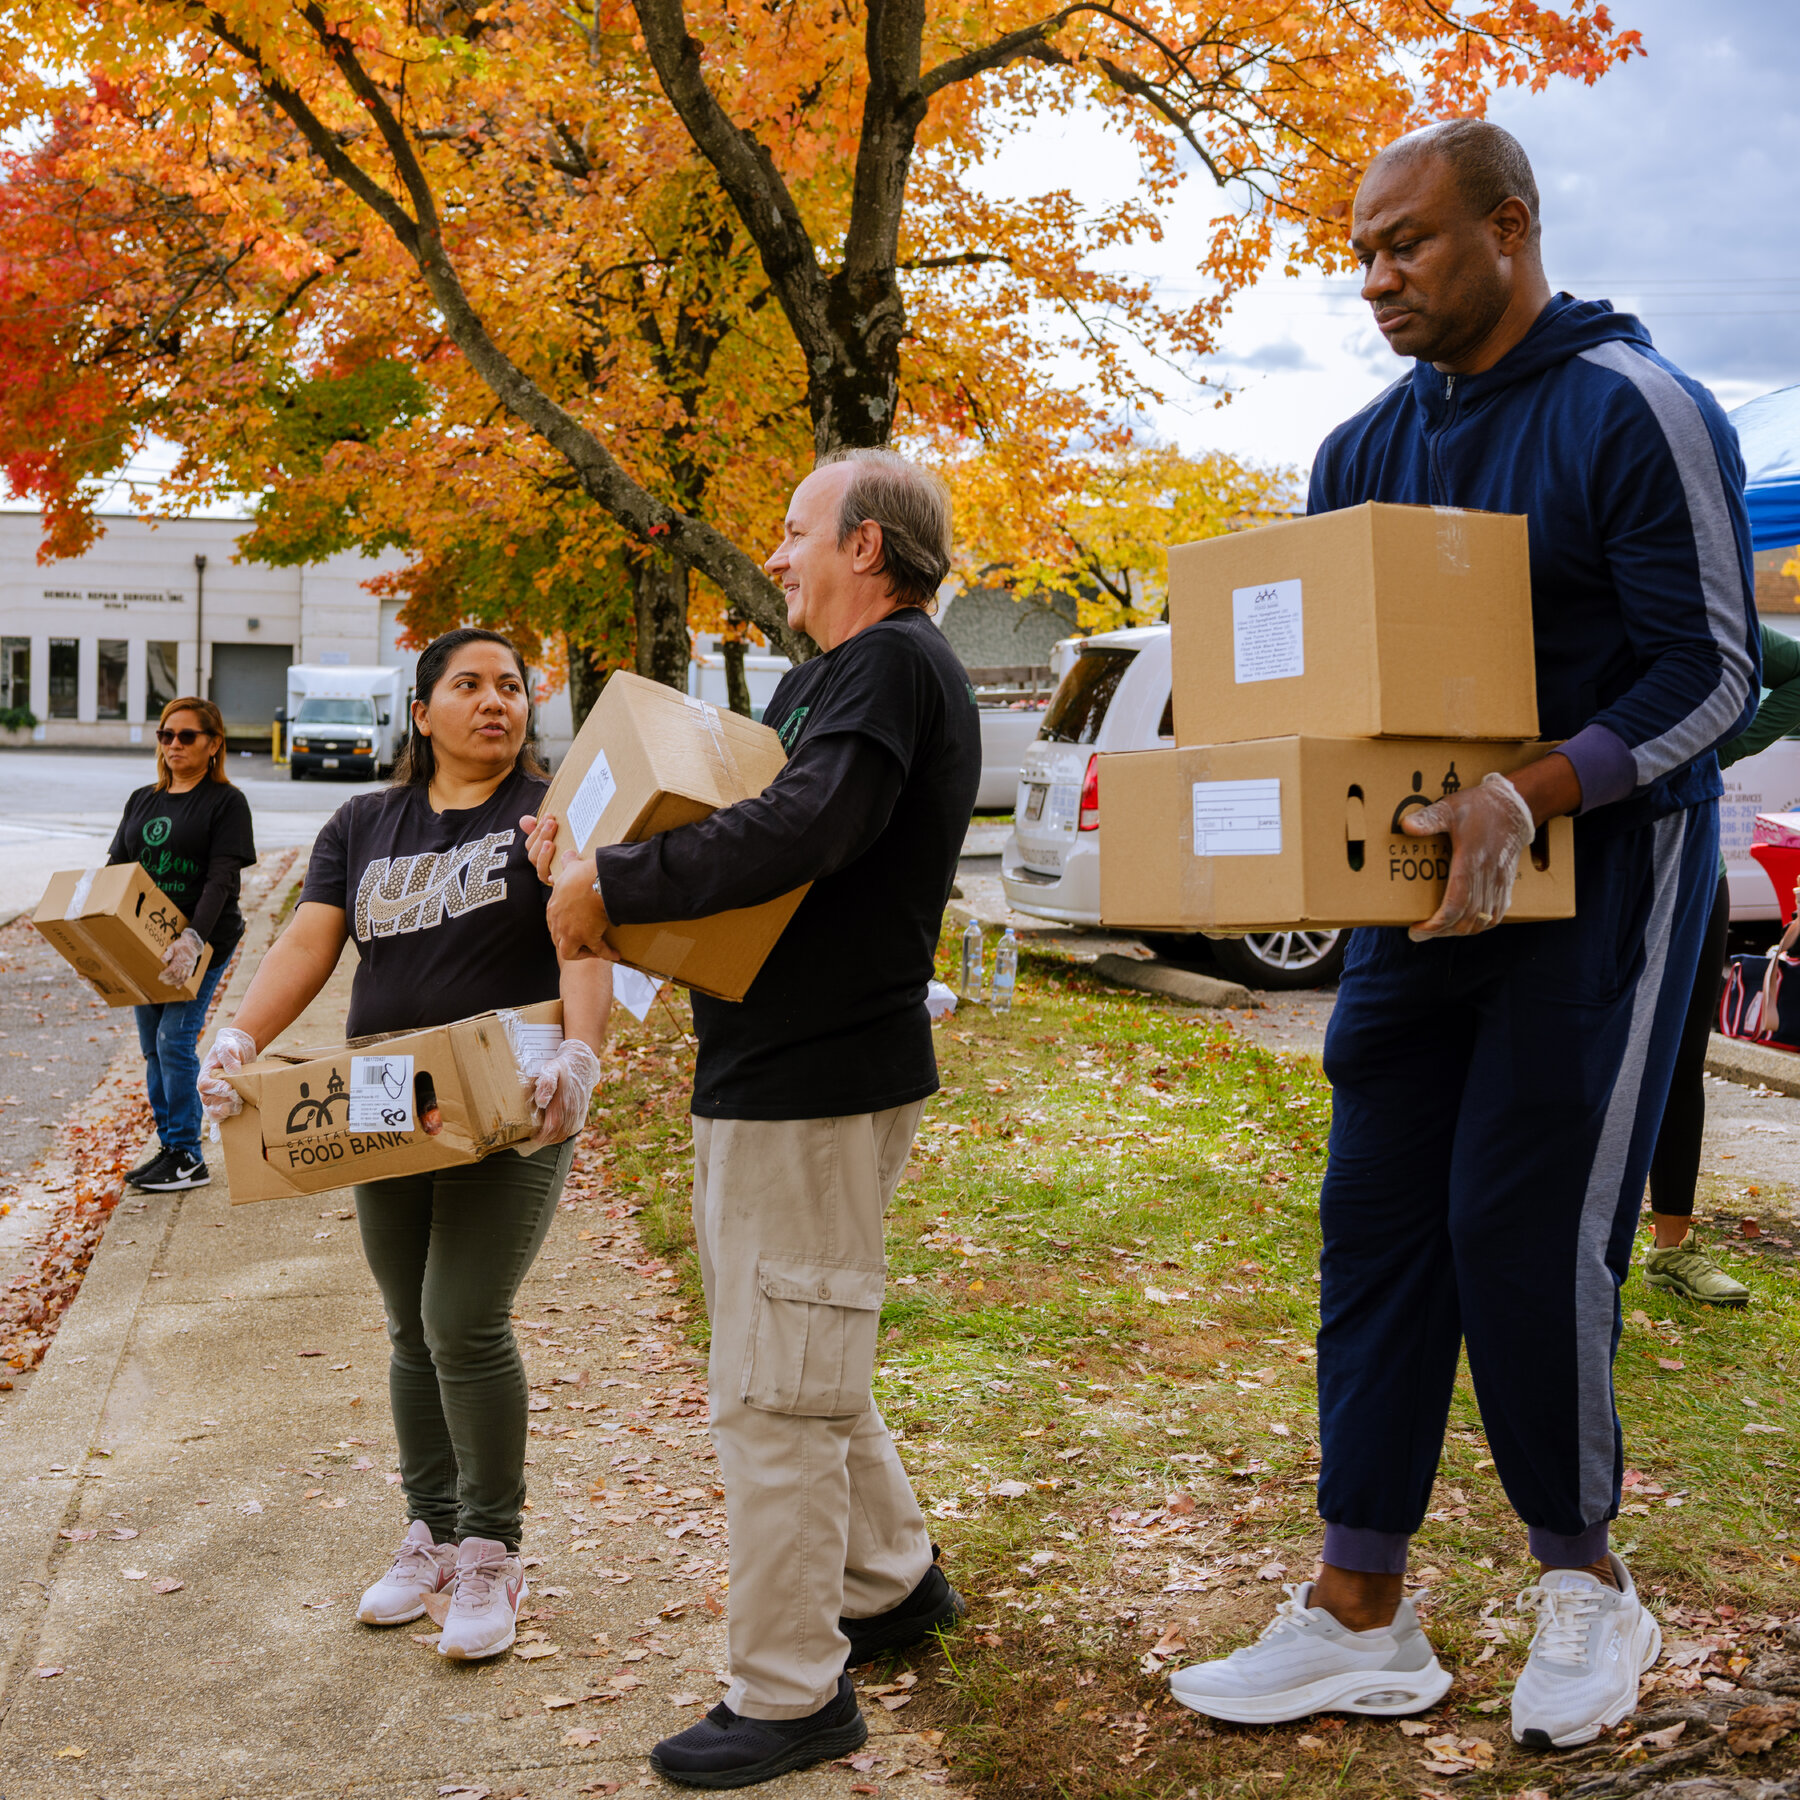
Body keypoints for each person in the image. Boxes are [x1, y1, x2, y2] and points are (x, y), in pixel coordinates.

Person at [1167, 120, 1758, 1751]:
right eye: (1362, 251)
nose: (1376, 280)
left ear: (1512, 226)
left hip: (1606, 895)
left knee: (1525, 1229)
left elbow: (1716, 673)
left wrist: (1535, 792)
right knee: (1375, 1227)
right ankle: (1363, 1605)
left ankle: (1587, 1584)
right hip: (1408, 913)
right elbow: (1327, 702)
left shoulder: (1635, 411)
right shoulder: (1361, 449)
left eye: (1409, 244)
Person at [525, 449, 981, 1788]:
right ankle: (893, 1589)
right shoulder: (833, 680)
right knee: (802, 1347)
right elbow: (766, 859)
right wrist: (615, 882)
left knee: (774, 1395)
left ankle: (790, 1692)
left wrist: (616, 881)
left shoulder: (896, 665)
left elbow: (805, 826)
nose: (776, 555)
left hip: (818, 1082)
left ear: (871, 549)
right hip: (782, 1072)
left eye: (797, 532)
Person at [196, 629, 612, 1661]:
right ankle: (427, 1531)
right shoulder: (363, 822)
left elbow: (586, 936)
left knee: (462, 1318)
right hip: (383, 1097)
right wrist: (242, 1033)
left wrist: (580, 1059)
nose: (494, 703)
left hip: (512, 1093)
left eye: (511, 687)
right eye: (467, 685)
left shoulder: (551, 817)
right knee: (406, 1323)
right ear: (420, 712)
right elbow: (310, 937)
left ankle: (491, 1551)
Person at [1644, 624, 1800, 1306]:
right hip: (1591, 864)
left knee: (1680, 1059)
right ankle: (1565, 1233)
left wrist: (1716, 753)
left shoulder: (1707, 604)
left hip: (1694, 868)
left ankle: (1672, 1248)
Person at [108, 696, 256, 1193]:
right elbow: (116, 872)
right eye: (166, 735)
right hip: (145, 942)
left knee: (175, 1039)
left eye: (186, 736)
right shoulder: (141, 799)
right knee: (153, 1046)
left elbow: (221, 881)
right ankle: (171, 1145)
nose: (174, 744)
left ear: (213, 744)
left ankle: (190, 1157)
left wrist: (192, 938)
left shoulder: (225, 803)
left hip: (206, 940)